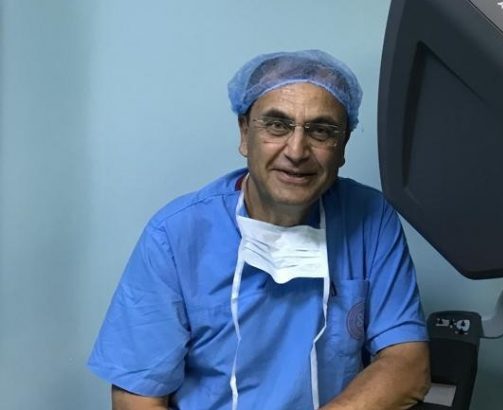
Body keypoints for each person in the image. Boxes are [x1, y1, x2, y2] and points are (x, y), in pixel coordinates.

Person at [88, 49, 430, 409]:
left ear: (342, 145)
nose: (296, 151)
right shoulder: (175, 236)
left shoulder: (370, 220)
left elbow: (408, 366)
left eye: (321, 131)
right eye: (277, 125)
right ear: (244, 132)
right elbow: (137, 396)